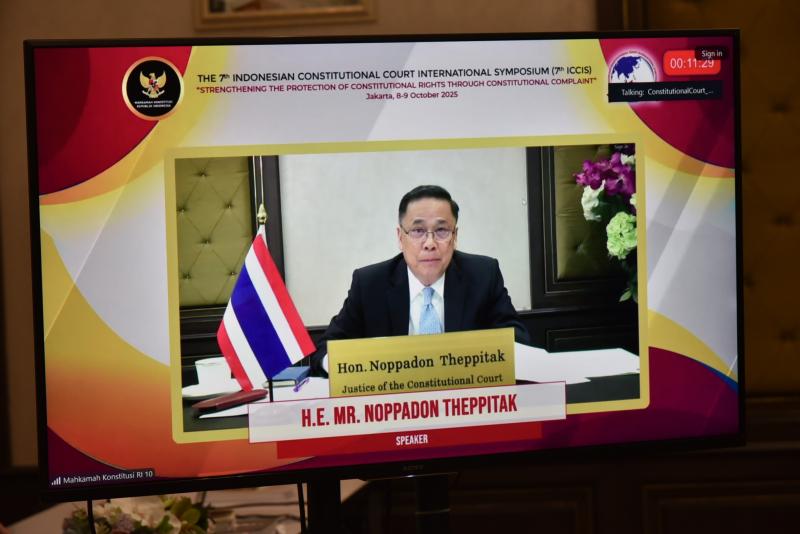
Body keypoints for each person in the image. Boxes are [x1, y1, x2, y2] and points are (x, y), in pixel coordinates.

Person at [310, 184, 529, 376]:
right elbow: (326, 351)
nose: (430, 243)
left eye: (442, 230)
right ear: (400, 237)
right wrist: (363, 364)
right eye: (418, 231)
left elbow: (518, 341)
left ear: (455, 237)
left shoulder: (483, 275)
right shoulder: (369, 284)